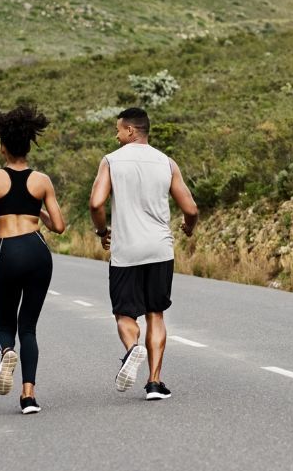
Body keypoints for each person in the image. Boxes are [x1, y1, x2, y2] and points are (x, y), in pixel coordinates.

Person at [89, 107, 198, 401]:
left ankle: (131, 350)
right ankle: (154, 382)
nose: (116, 134)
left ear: (130, 131)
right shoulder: (167, 162)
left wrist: (102, 233)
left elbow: (96, 203)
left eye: (118, 129)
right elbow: (191, 209)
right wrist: (188, 227)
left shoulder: (111, 161)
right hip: (160, 248)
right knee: (156, 314)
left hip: (126, 250)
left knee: (125, 313)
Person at [0, 105, 66, 415]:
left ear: (3, 147)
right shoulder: (42, 181)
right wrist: (38, 211)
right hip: (38, 251)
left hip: (8, 249)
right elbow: (59, 226)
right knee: (29, 327)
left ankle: (7, 352)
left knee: (5, 325)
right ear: (28, 146)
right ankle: (29, 396)